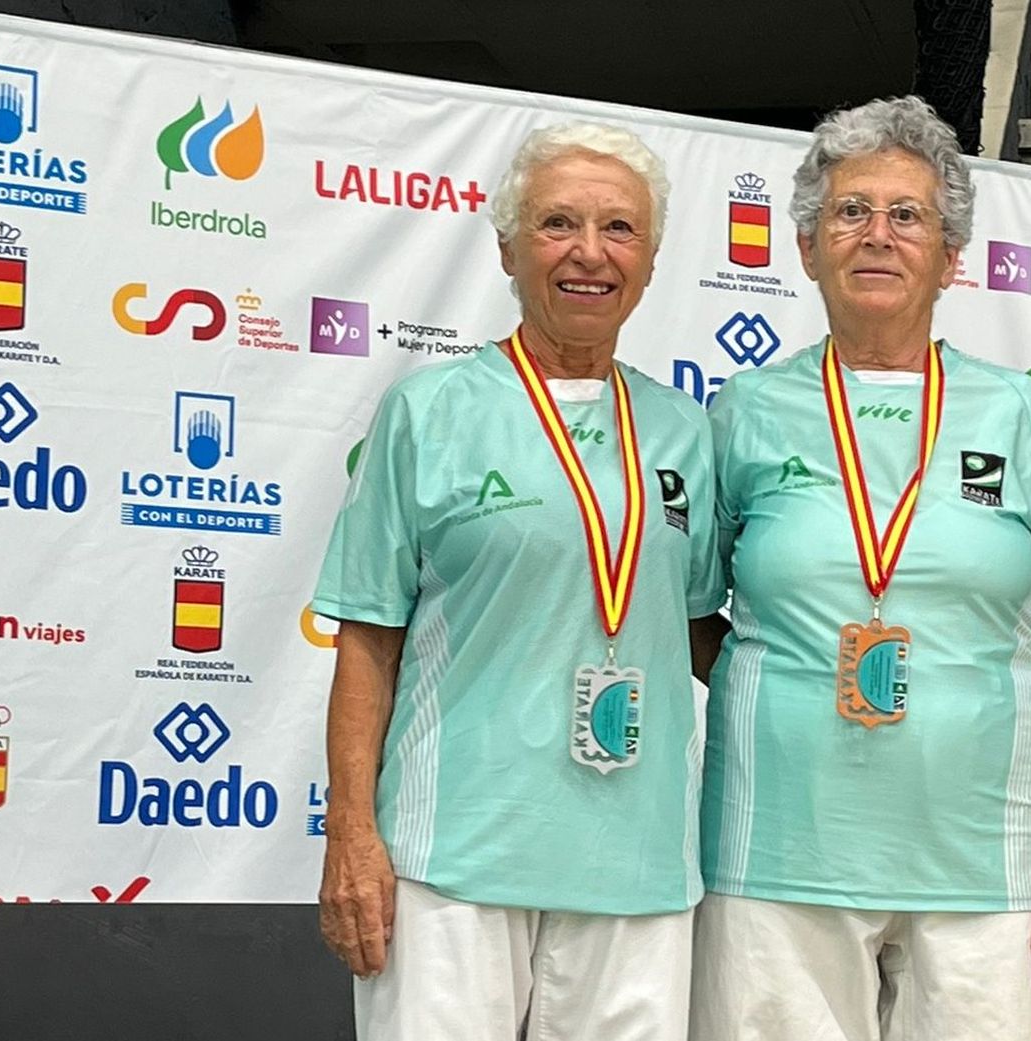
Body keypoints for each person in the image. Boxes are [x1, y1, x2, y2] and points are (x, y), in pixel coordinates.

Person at [688, 95, 1031, 1041]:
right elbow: (690, 613)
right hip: (778, 854)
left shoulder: (1019, 412)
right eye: (849, 211)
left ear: (951, 256)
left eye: (907, 215)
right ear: (805, 247)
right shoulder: (745, 410)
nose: (876, 235)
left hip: (987, 859)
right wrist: (790, 684)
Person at [312, 121, 724, 1041]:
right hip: (453, 856)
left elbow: (701, 629)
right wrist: (352, 836)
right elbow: (367, 640)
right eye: (557, 224)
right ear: (506, 246)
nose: (589, 253)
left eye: (619, 229)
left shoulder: (688, 431)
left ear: (651, 260)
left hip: (639, 864)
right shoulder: (429, 411)